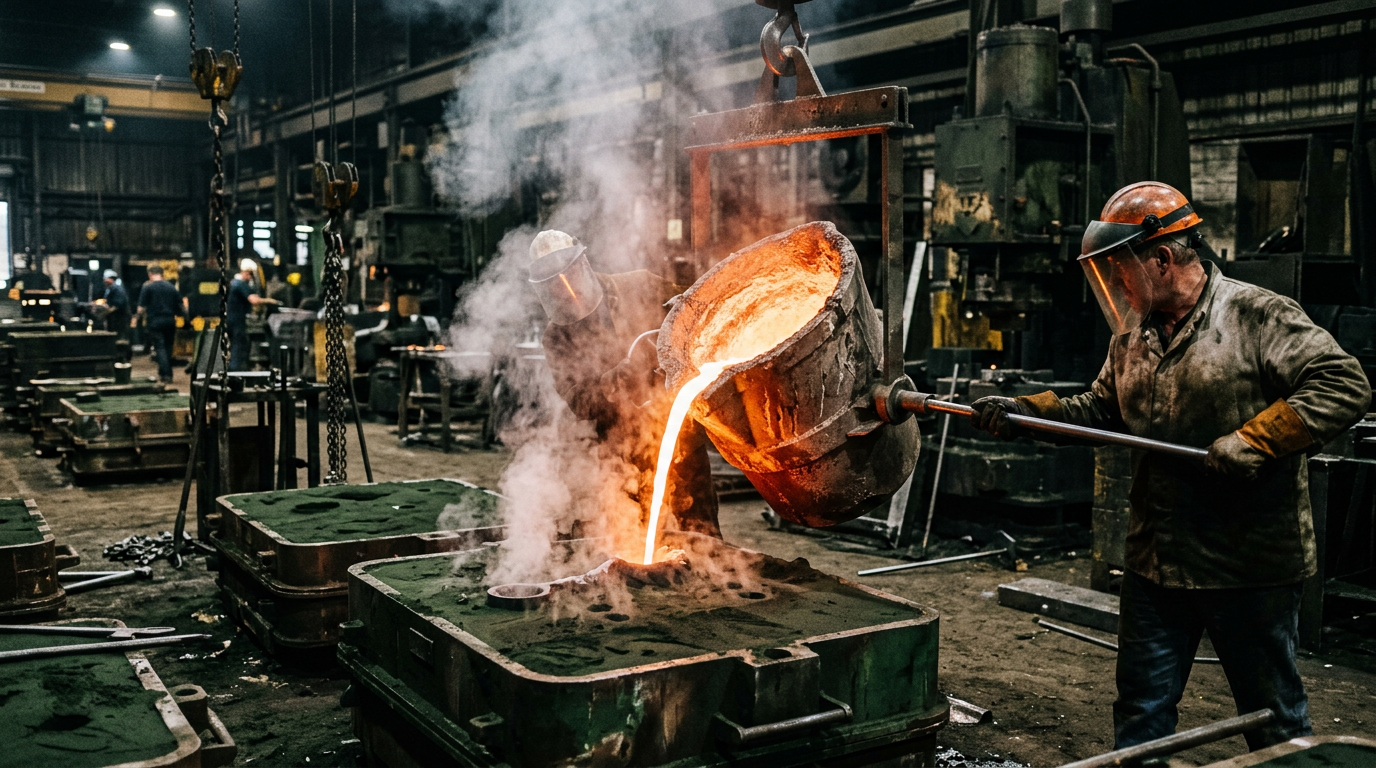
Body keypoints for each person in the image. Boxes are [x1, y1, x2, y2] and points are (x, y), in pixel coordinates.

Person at [968, 182, 1371, 751]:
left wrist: (1258, 438)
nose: (1114, 286)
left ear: (1161, 258)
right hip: (1157, 559)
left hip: (1246, 562)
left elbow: (1344, 383)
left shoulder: (1257, 315)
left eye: (1120, 270)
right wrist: (1027, 414)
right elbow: (1101, 410)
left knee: (1272, 718)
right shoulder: (1131, 335)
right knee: (1141, 714)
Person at [527, 230, 720, 539]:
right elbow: (579, 400)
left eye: (567, 274)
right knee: (638, 543)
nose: (564, 289)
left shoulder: (638, 286)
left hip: (675, 433)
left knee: (700, 530)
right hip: (620, 452)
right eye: (553, 283)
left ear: (583, 263)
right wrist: (614, 382)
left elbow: (695, 305)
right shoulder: (557, 336)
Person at [136, 266, 185, 384]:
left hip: (155, 322)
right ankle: (165, 372)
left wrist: (137, 318)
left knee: (160, 348)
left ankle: (166, 374)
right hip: (170, 321)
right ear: (162, 274)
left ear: (150, 274)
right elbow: (181, 304)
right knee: (168, 347)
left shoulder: (148, 287)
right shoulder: (171, 287)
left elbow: (140, 308)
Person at [227, 258, 263, 371]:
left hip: (231, 318)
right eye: (251, 274)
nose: (251, 277)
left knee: (235, 345)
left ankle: (234, 368)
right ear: (246, 272)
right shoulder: (240, 284)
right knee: (238, 346)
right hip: (236, 320)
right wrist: (269, 301)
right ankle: (235, 371)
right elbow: (254, 300)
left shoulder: (234, 282)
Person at [101, 269, 131, 341]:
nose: (104, 281)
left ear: (111, 279)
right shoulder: (110, 289)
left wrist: (107, 311)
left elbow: (118, 304)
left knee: (120, 336)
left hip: (119, 318)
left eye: (106, 279)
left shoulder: (117, 289)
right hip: (114, 318)